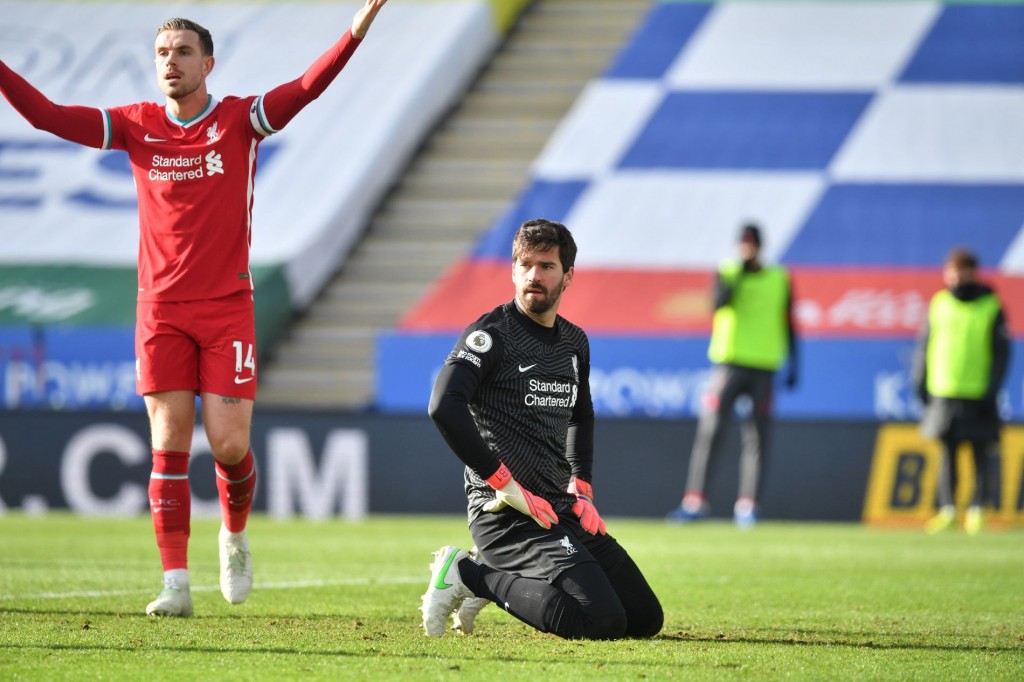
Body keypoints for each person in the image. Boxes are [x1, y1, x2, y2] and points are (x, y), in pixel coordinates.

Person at [0, 0, 389, 616]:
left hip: (227, 305)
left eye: (183, 52)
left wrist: (353, 33)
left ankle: (233, 536)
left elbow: (305, 89)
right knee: (169, 442)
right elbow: (49, 115)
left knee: (229, 445)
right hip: (160, 309)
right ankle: (176, 584)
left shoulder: (238, 121)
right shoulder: (135, 124)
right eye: (162, 54)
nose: (171, 62)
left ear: (208, 62)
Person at [422, 219, 663, 640]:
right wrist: (502, 481)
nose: (534, 275)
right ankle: (469, 573)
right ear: (513, 270)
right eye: (525, 264)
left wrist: (582, 486)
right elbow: (444, 405)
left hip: (558, 510)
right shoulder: (491, 336)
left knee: (643, 618)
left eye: (547, 266)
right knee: (602, 621)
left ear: (568, 275)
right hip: (505, 514)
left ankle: (497, 574)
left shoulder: (574, 342)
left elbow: (581, 414)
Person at [667, 223, 798, 528]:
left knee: (757, 437)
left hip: (763, 367)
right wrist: (739, 271)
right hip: (729, 365)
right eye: (743, 243)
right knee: (710, 432)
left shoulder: (779, 277)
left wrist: (794, 364)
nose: (747, 249)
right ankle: (695, 501)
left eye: (751, 243)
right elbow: (718, 303)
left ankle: (748, 505)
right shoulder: (729, 272)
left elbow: (789, 322)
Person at [912, 247, 1010, 536]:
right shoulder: (939, 303)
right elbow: (924, 346)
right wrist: (921, 381)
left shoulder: (991, 305)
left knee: (980, 453)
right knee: (947, 454)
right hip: (944, 390)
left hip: (979, 391)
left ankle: (978, 509)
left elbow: (1001, 352)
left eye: (961, 272)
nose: (955, 278)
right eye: (951, 272)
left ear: (972, 273)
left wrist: (992, 387)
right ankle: (949, 510)